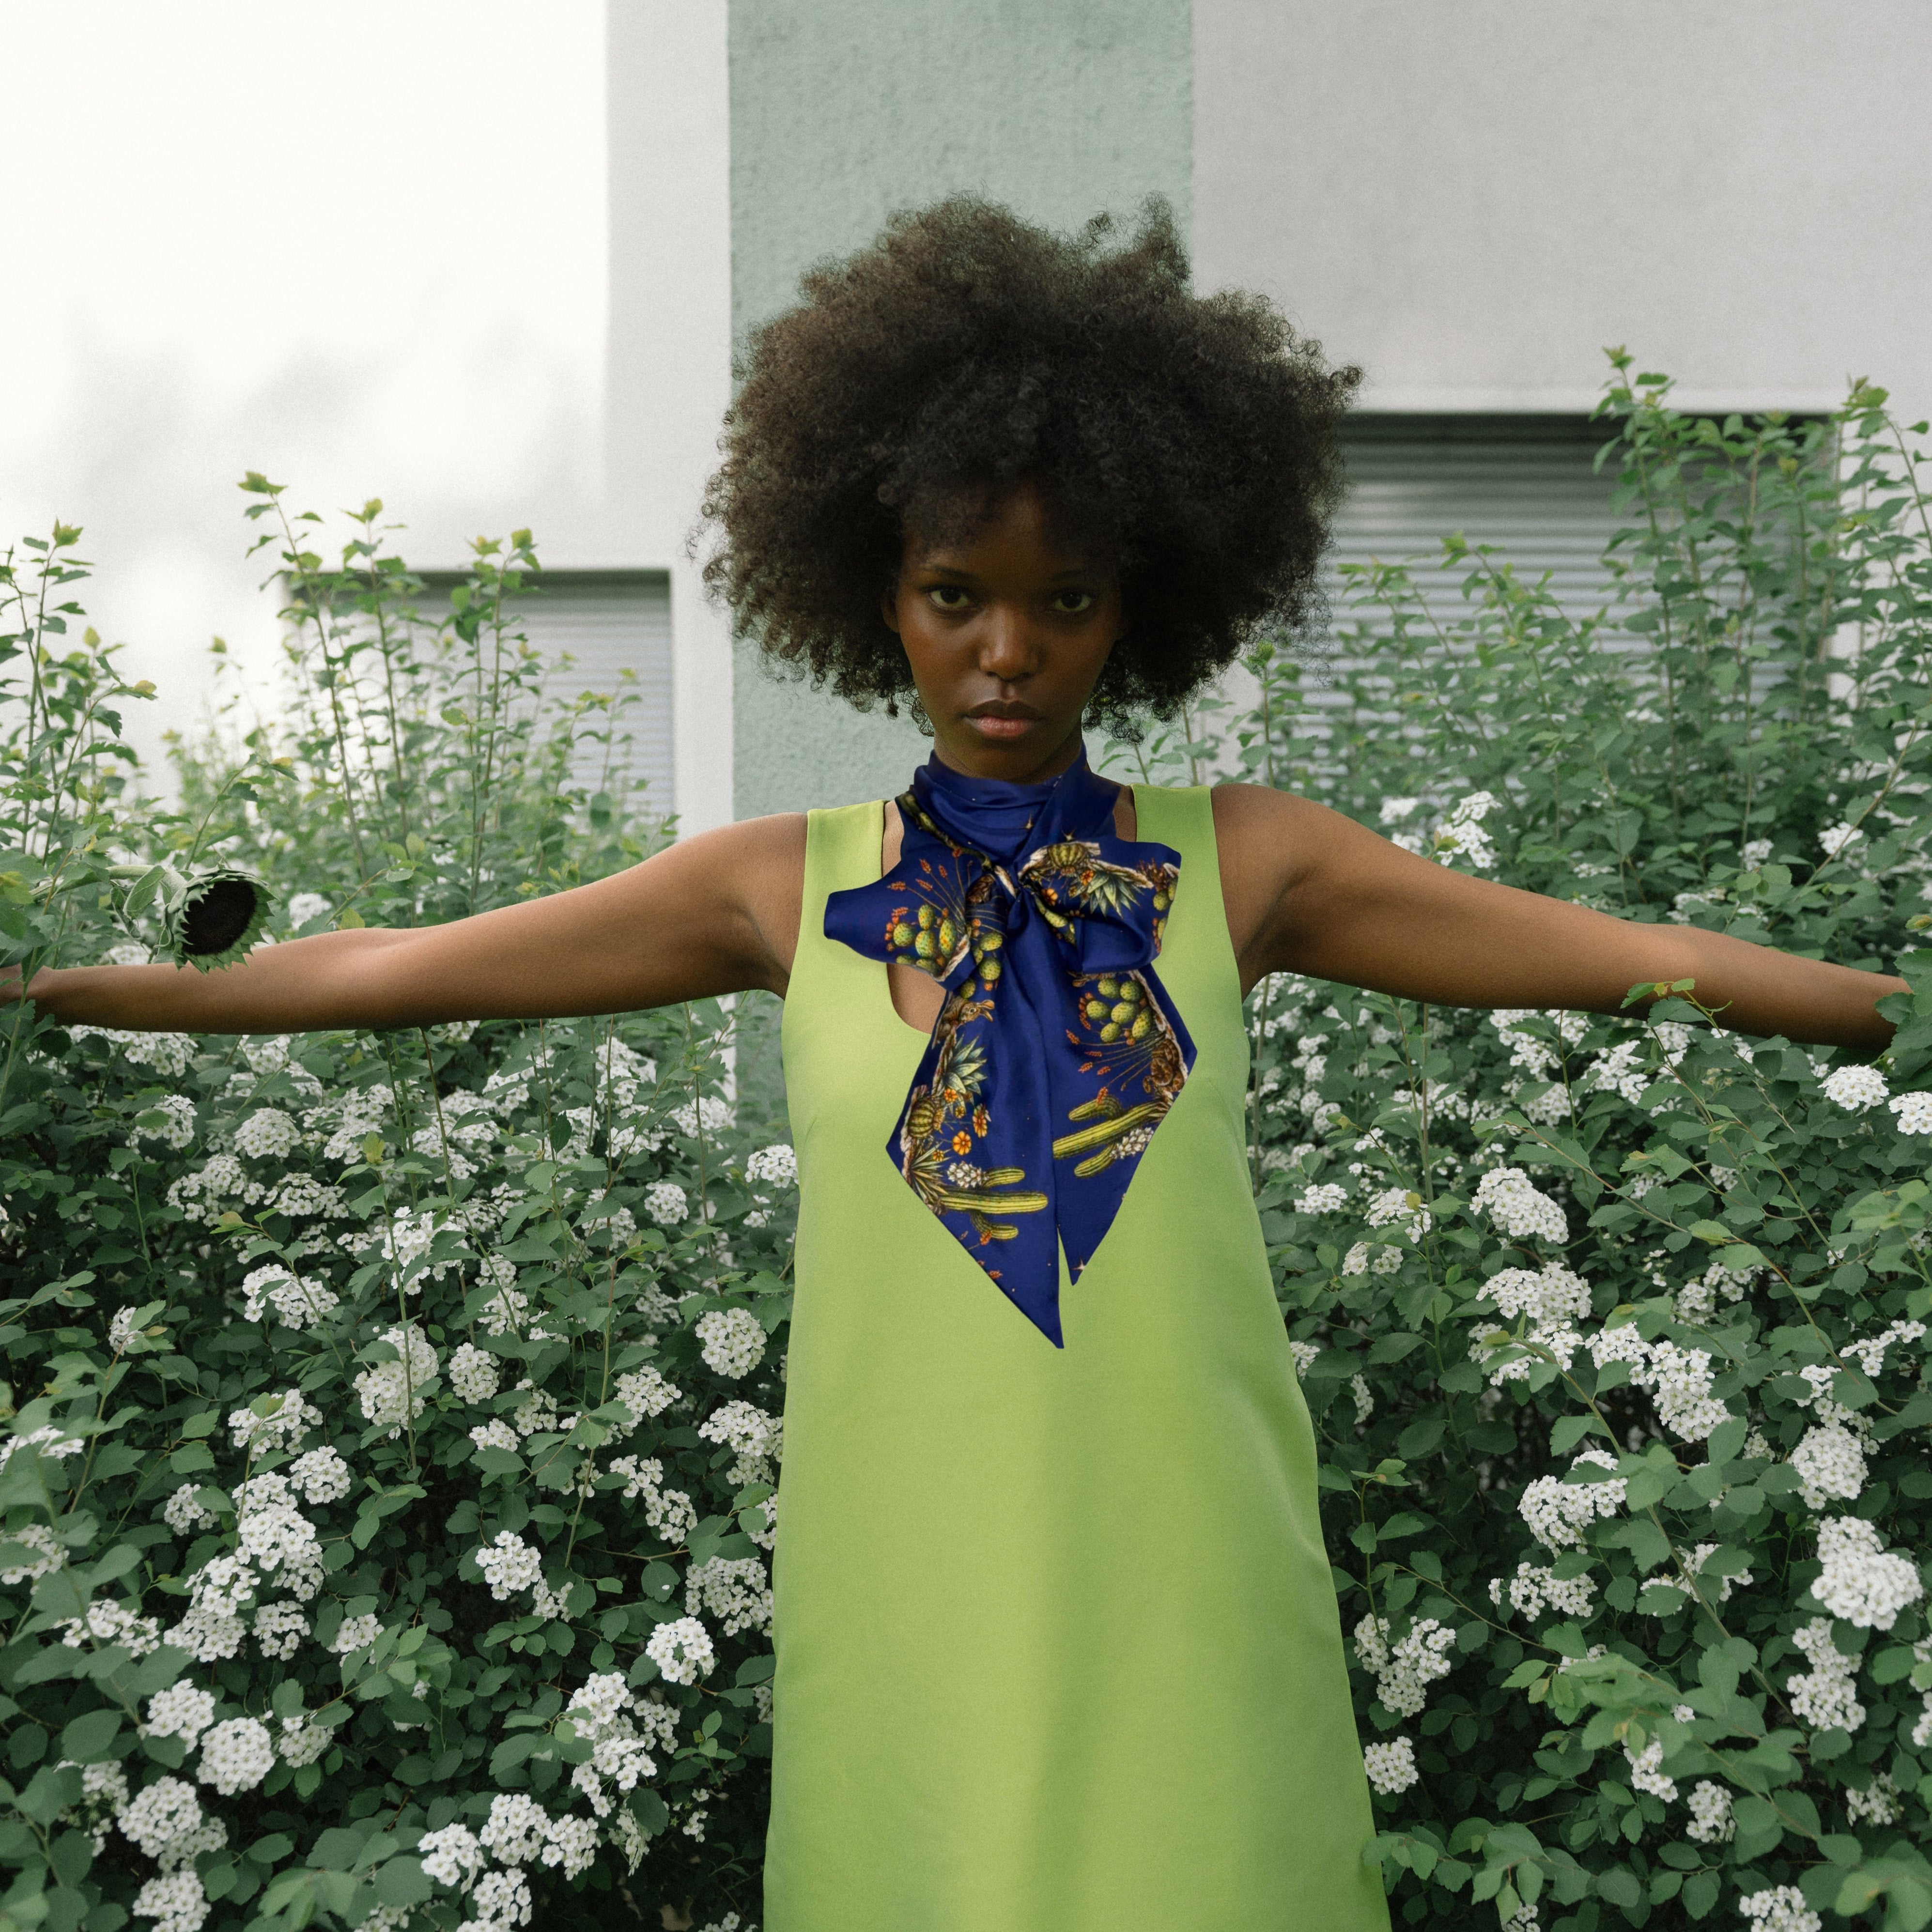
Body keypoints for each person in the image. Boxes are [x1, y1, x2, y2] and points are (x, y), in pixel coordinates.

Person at [15, 201, 1901, 1931]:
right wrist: (66, 984)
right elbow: (405, 973)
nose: (1007, 652)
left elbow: (1639, 966)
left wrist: (1900, 1006)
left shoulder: (1246, 863)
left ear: (1136, 603)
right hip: (904, 1600)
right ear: (872, 593)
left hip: (1187, 1593)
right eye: (952, 595)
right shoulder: (776, 887)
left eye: (1062, 599)